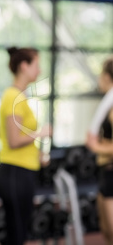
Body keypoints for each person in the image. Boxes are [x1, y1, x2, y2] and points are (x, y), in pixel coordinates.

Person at [0, 47, 52, 245]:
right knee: (17, 234)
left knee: (18, 231)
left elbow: (5, 134)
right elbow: (13, 140)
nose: (40, 70)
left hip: (20, 172)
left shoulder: (19, 96)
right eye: (37, 65)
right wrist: (40, 133)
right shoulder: (12, 96)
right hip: (14, 174)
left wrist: (37, 154)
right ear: (24, 66)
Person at [86, 56, 113, 245]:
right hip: (104, 171)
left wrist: (96, 145)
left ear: (107, 77)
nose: (98, 79)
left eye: (100, 75)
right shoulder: (108, 104)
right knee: (106, 231)